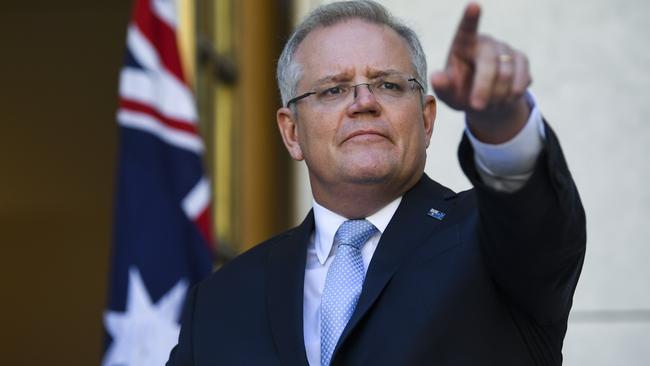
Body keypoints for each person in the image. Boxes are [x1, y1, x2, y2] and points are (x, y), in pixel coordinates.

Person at [167, 1, 586, 365]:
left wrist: (501, 121)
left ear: (425, 120)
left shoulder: (494, 241)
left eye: (387, 84)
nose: (363, 102)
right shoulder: (221, 301)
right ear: (292, 132)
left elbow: (534, 213)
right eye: (333, 90)